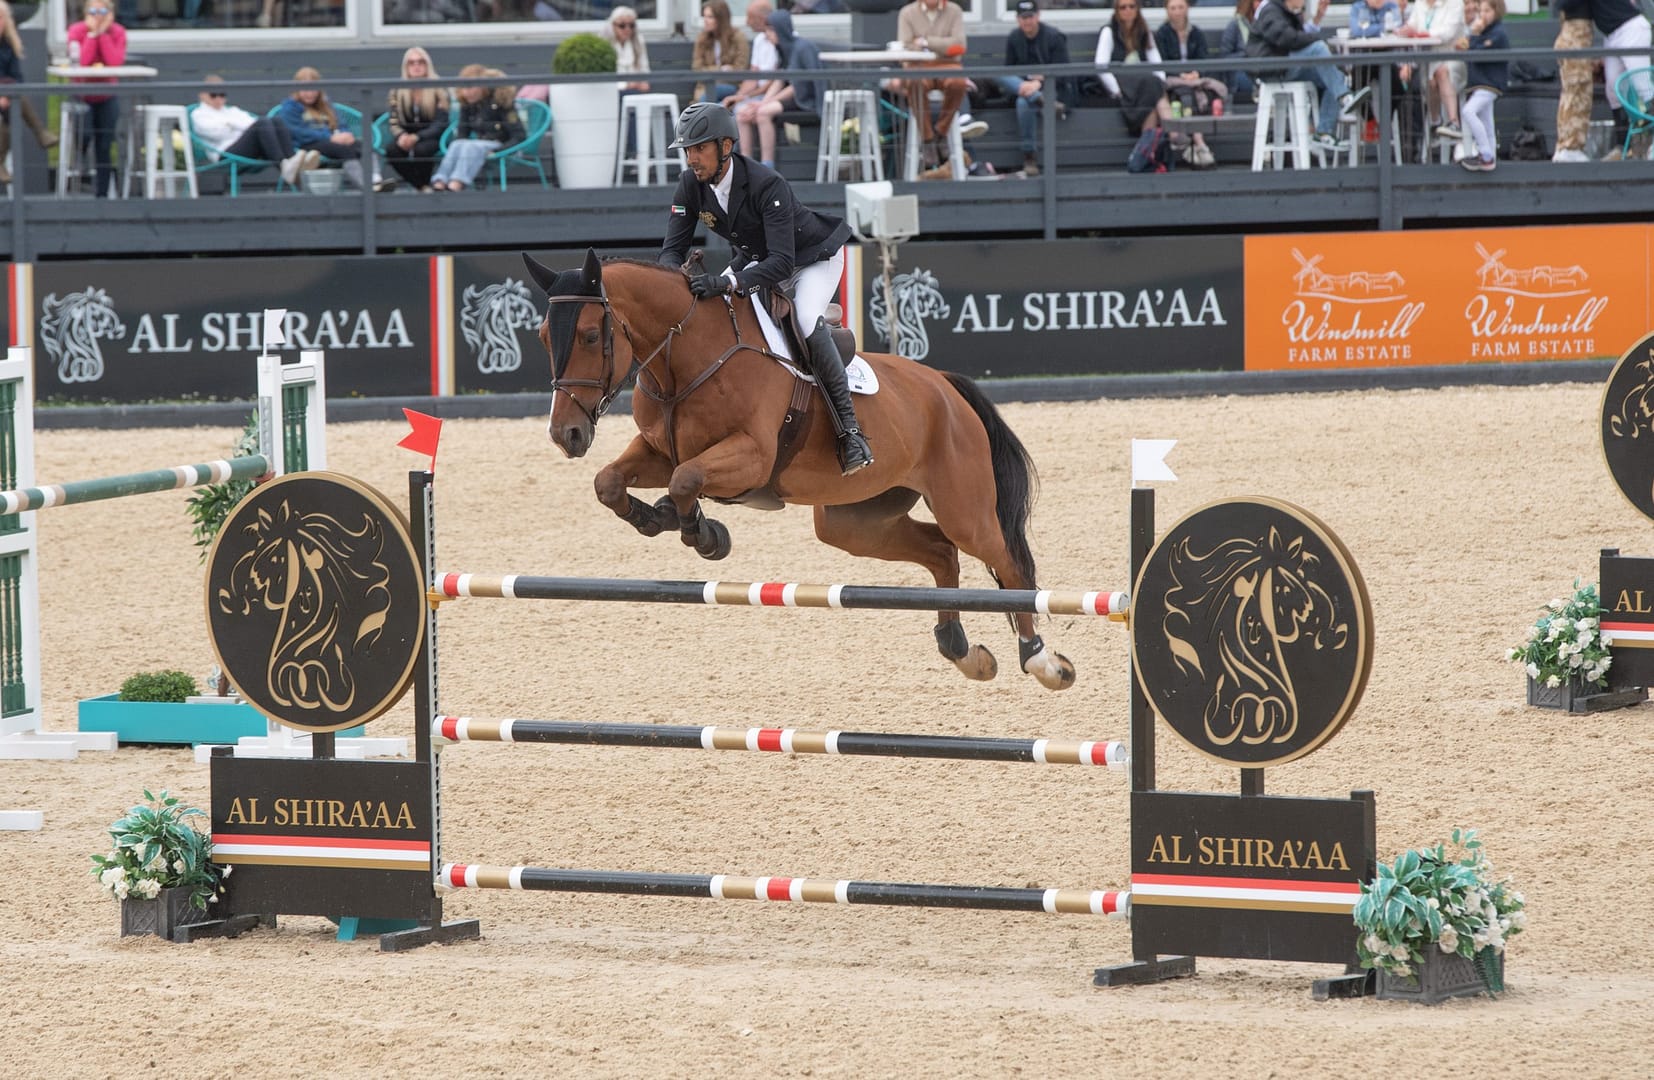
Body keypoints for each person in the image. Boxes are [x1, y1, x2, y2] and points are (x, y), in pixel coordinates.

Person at [658, 102, 871, 477]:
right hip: (758, 258)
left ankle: (851, 433)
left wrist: (727, 282)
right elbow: (671, 251)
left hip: (810, 260)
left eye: (700, 148)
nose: (692, 158)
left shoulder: (766, 184)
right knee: (717, 311)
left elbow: (782, 265)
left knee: (805, 318)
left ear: (726, 147)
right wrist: (670, 285)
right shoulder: (690, 185)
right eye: (688, 150)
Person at [1097, 0, 1216, 165]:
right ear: (1116, 10)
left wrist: (1161, 83)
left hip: (1145, 86)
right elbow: (1101, 65)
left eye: (1132, 6)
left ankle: (1145, 154)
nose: (1128, 11)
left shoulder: (1144, 31)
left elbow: (1156, 62)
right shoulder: (1109, 32)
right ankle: (1174, 132)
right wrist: (1116, 90)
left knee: (1152, 90)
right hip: (1122, 83)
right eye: (1123, 7)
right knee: (1151, 82)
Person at [1245, 0, 1371, 151]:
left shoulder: (1291, 14)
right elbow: (1287, 39)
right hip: (1271, 68)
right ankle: (1345, 97)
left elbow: (1298, 38)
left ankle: (1324, 132)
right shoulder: (1271, 11)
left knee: (1334, 74)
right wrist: (1316, 39)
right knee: (1318, 49)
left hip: (1285, 65)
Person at [897, 0, 988, 170]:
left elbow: (959, 46)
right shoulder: (907, 13)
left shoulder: (954, 11)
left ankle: (942, 132)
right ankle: (927, 139)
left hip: (948, 64)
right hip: (918, 66)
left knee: (958, 82)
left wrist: (925, 42)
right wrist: (943, 45)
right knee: (914, 84)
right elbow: (905, 47)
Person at [191, 75, 320, 188]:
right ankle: (286, 166)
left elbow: (250, 123)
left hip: (246, 148)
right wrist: (237, 125)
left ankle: (291, 162)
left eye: (222, 94)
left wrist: (230, 125)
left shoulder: (231, 111)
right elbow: (216, 133)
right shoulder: (199, 114)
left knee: (276, 121)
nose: (219, 99)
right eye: (213, 94)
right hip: (225, 154)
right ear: (203, 94)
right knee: (263, 123)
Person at [736, 9, 823, 168]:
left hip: (804, 100)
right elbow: (779, 80)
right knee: (743, 113)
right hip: (788, 97)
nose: (767, 34)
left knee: (763, 113)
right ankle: (745, 164)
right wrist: (763, 101)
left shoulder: (802, 47)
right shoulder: (783, 49)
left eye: (770, 30)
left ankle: (767, 165)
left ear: (781, 29)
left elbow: (797, 87)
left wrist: (763, 105)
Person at [997, 0, 1074, 176]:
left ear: (1038, 16)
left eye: (1030, 17)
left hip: (1052, 89)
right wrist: (1027, 85)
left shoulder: (1054, 36)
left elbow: (1064, 73)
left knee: (1024, 103)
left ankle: (1029, 156)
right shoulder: (1014, 38)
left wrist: (1039, 83)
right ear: (1017, 19)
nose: (1027, 21)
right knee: (998, 75)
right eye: (1023, 17)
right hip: (1024, 89)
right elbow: (1009, 71)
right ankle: (1038, 100)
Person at [275, 66, 381, 190]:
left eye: (313, 89)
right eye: (305, 89)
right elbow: (298, 133)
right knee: (345, 152)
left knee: (364, 147)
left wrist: (345, 135)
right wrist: (330, 137)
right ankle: (366, 186)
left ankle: (376, 180)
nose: (310, 93)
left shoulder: (325, 104)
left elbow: (340, 124)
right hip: (308, 145)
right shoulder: (290, 107)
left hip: (332, 141)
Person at [66, 0, 126, 198]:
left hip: (106, 93)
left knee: (104, 144)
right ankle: (80, 178)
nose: (98, 15)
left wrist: (103, 36)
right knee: (84, 136)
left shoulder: (117, 32)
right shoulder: (77, 31)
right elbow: (81, 63)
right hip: (82, 94)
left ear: (111, 13)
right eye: (93, 11)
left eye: (103, 11)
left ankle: (102, 193)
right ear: (86, 13)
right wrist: (92, 36)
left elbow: (114, 62)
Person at [431, 65, 523, 191]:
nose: (466, 92)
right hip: (479, 146)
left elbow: (519, 136)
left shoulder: (501, 101)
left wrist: (498, 150)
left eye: (470, 87)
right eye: (463, 88)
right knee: (457, 144)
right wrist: (461, 144)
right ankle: (440, 180)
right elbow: (462, 133)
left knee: (471, 146)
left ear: (482, 86)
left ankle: (458, 182)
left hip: (500, 146)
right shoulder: (467, 103)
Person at [0, 0, 58, 185]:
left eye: (1, 18)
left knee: (9, 119)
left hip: (7, 98)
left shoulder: (9, 45)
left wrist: (7, 94)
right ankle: (40, 132)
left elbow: (17, 77)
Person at [1397, 0, 1467, 146]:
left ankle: (1454, 122)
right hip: (1429, 58)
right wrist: (1404, 30)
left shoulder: (1455, 3)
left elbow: (1448, 33)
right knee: (1430, 79)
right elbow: (1412, 25)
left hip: (1453, 55)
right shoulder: (1420, 3)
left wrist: (1421, 34)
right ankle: (1435, 122)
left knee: (1441, 71)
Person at [1590, 0, 1653, 159]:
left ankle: (1651, 141)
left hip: (1631, 28)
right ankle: (1622, 145)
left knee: (1642, 85)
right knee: (1612, 90)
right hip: (1611, 34)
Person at [384, 46, 450, 192]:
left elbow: (441, 123)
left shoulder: (439, 89)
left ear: (428, 65)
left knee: (422, 150)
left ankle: (424, 185)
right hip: (407, 135)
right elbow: (393, 121)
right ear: (406, 67)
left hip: (433, 136)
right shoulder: (397, 90)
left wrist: (417, 137)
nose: (416, 66)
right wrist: (402, 136)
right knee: (392, 150)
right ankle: (422, 187)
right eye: (411, 63)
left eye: (421, 62)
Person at [1456, 0, 1509, 171]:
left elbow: (1478, 52)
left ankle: (1485, 154)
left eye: (1487, 11)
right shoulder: (1486, 31)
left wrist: (1474, 37)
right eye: (1481, 11)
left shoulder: (1497, 33)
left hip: (1490, 82)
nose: (1483, 15)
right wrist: (1473, 37)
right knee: (1487, 122)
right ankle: (1491, 157)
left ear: (1496, 10)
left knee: (1468, 111)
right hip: (1481, 82)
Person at [1551, 0, 1593, 162]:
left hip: (1575, 33)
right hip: (1576, 35)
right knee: (1577, 92)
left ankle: (1565, 145)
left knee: (1573, 92)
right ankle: (1570, 145)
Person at [693, 0, 750, 104]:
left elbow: (740, 68)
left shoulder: (738, 37)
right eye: (704, 16)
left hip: (732, 85)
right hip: (707, 85)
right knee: (712, 103)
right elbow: (697, 68)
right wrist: (720, 69)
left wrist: (718, 71)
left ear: (721, 19)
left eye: (710, 17)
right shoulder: (702, 39)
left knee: (707, 102)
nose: (705, 20)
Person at [602, 7, 652, 93]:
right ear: (612, 26)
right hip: (612, 92)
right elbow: (604, 76)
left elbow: (645, 69)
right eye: (622, 25)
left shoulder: (638, 41)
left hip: (636, 89)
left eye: (631, 25)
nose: (627, 29)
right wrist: (626, 85)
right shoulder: (605, 44)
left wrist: (644, 82)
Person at [1218, 0, 1258, 104]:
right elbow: (1224, 56)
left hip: (1262, 69)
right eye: (1259, 1)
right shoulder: (1234, 26)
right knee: (1247, 81)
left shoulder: (1268, 24)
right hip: (1241, 71)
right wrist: (1246, 55)